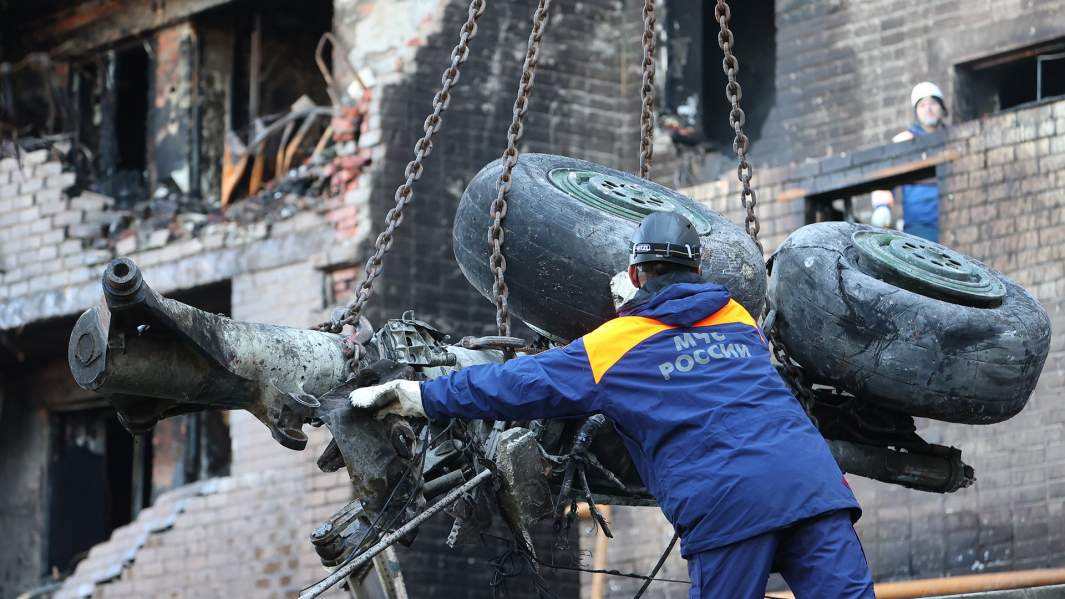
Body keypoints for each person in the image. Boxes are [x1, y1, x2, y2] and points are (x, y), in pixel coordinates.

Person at [350, 212, 875, 598]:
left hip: (729, 502)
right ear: (698, 271)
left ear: (636, 272)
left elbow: (514, 383)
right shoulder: (736, 316)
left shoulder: (614, 344)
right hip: (813, 485)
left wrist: (417, 396)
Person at [870, 81, 948, 241]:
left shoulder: (955, 137)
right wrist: (882, 207)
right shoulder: (905, 141)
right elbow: (885, 177)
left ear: (942, 108)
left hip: (953, 220)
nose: (928, 109)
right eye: (922, 105)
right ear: (916, 112)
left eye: (933, 103)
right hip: (920, 225)